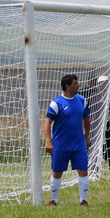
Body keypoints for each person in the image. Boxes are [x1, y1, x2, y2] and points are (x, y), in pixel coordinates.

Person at [43, 74, 92, 206]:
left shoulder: (82, 100)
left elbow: (86, 119)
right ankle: (54, 200)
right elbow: (47, 122)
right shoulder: (57, 103)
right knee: (57, 173)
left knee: (83, 171)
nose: (79, 85)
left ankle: (83, 200)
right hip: (61, 145)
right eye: (76, 83)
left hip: (78, 144)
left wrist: (86, 136)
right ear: (68, 86)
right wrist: (48, 141)